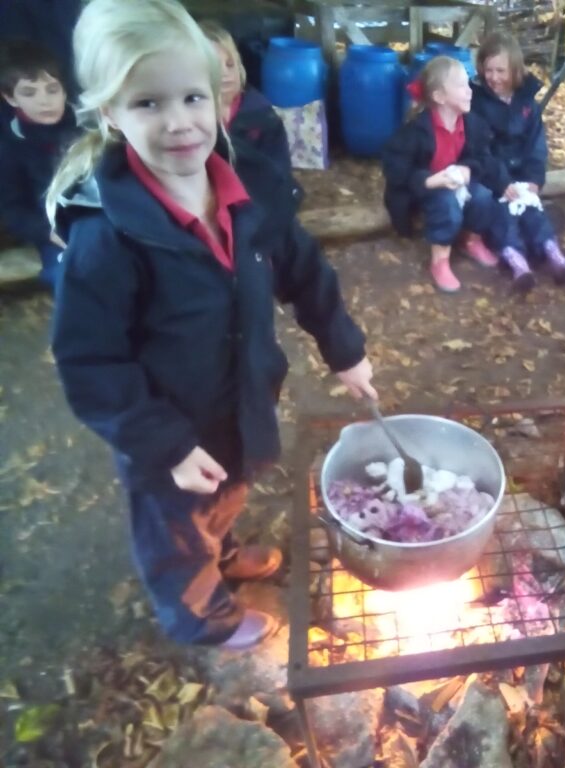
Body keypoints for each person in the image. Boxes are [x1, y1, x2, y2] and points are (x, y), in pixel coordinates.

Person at [46, 0, 376, 650]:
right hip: (165, 429)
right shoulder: (107, 237)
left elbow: (302, 268)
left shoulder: (246, 190)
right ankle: (201, 616)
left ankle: (219, 551)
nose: (178, 123)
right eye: (148, 104)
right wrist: (164, 444)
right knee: (176, 528)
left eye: (192, 97)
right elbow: (90, 364)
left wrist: (344, 349)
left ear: (222, 97)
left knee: (223, 497)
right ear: (110, 113)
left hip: (240, 399)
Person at [382, 56, 535, 294]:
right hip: (426, 189)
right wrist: (429, 180)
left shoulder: (472, 124)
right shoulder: (416, 132)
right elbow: (395, 169)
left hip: (457, 183)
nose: (470, 91)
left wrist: (468, 169)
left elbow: (482, 157)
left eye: (469, 84)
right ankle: (440, 258)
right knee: (446, 204)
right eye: (462, 86)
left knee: (483, 197)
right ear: (440, 97)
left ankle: (470, 239)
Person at [471, 32, 565, 283]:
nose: (494, 77)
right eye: (489, 70)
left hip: (521, 175)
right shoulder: (477, 103)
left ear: (515, 71)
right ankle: (517, 262)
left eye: (501, 71)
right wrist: (501, 182)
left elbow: (536, 145)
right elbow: (479, 150)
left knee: (533, 211)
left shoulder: (528, 103)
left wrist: (534, 178)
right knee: (504, 216)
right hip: (494, 177)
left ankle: (554, 254)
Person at [0, 39, 79, 288]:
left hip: (106, 221)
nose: (44, 101)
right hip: (56, 233)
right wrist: (48, 232)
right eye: (29, 92)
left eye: (52, 90)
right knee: (68, 277)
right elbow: (14, 209)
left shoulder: (88, 128)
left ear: (65, 91)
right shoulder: (11, 147)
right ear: (10, 98)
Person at [199, 20, 292, 178]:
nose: (225, 74)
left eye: (230, 65)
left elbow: (279, 173)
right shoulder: (191, 119)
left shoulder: (262, 115)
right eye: (214, 66)